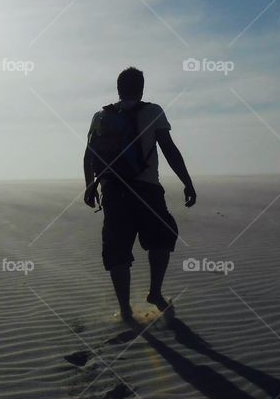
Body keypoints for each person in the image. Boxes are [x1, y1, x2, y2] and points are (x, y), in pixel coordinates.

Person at [83, 67, 196, 321]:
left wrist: (89, 186)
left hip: (112, 191)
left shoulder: (101, 116)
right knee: (161, 239)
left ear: (118, 88)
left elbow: (89, 155)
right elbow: (169, 149)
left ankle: (125, 308)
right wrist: (187, 182)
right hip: (147, 189)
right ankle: (154, 293)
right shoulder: (152, 111)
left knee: (117, 249)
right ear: (141, 88)